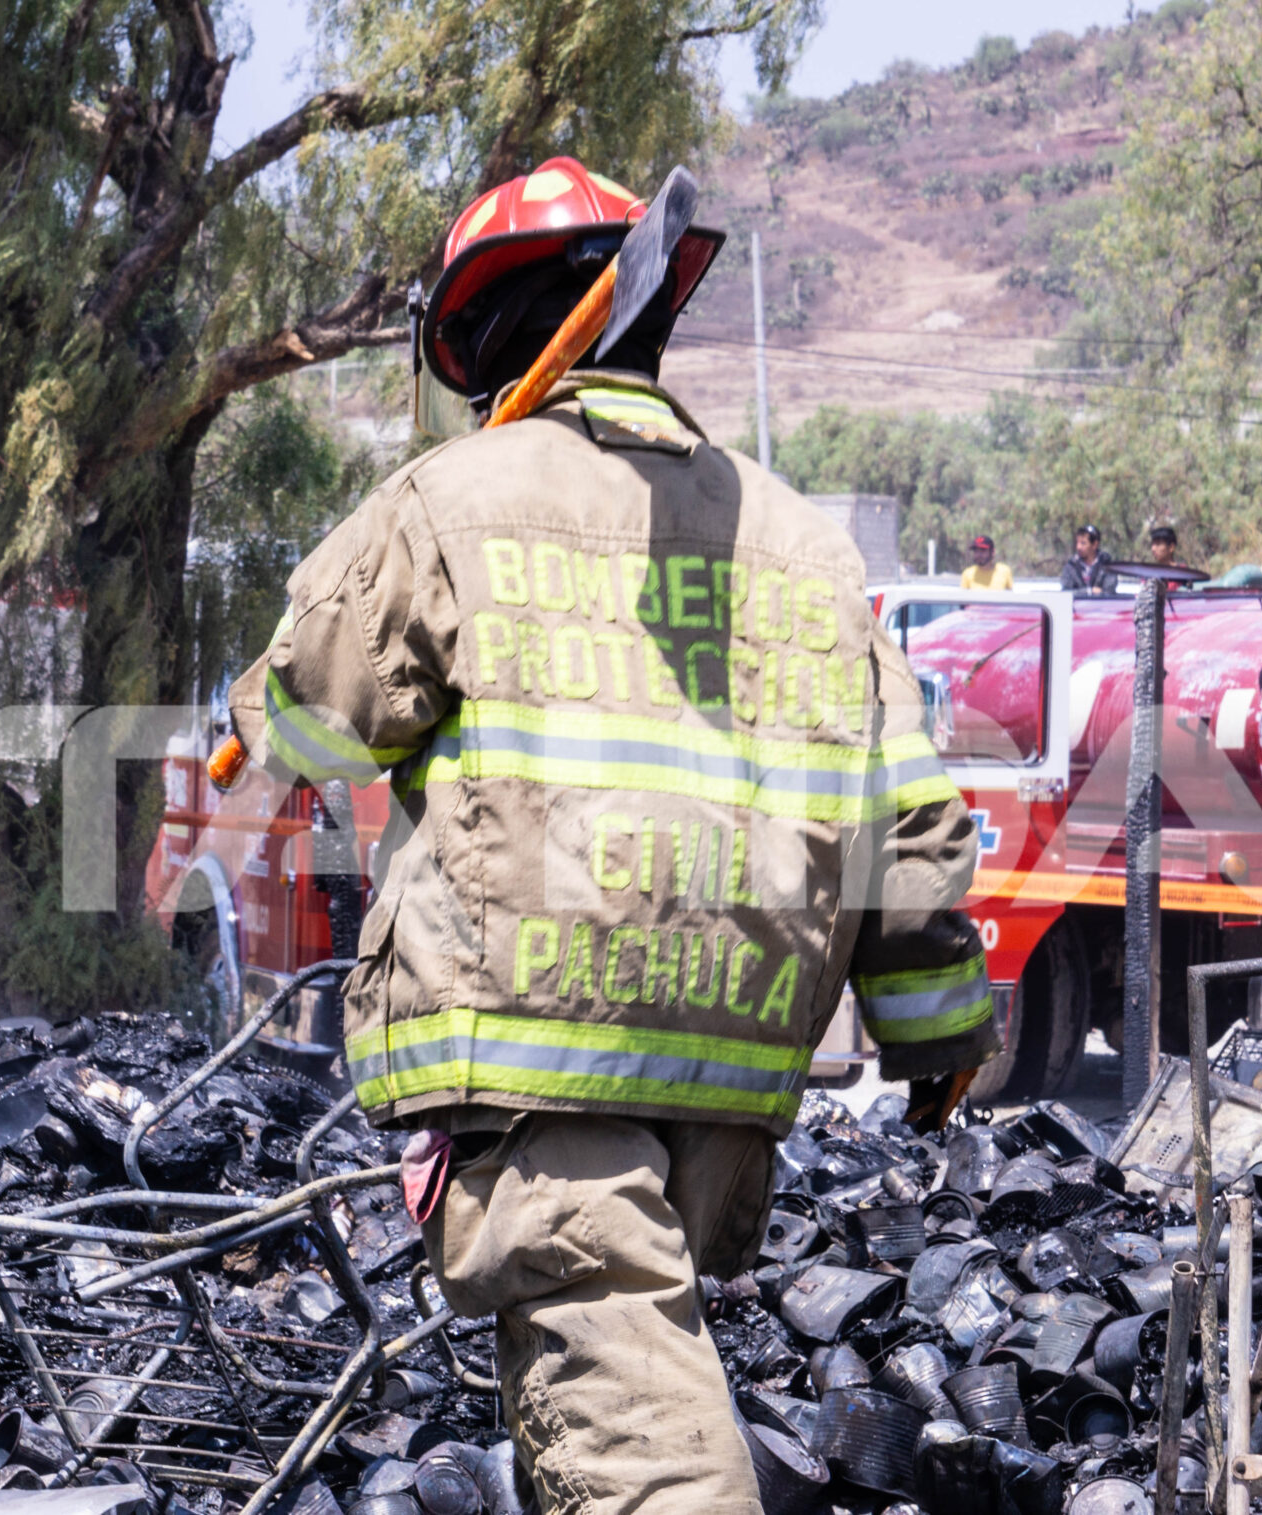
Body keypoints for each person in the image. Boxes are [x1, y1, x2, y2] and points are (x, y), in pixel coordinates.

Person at [226, 156, 996, 1515]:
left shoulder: (451, 498)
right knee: (633, 1373)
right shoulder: (803, 543)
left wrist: (262, 694)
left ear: (484, 342)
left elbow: (317, 727)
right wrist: (936, 1034)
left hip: (537, 1050)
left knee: (633, 1433)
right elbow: (905, 821)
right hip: (733, 1057)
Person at [1057, 523, 1116, 591]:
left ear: (1095, 545)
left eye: (1083, 543)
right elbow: (1066, 590)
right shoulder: (1071, 566)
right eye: (1077, 542)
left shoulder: (1108, 566)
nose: (1078, 547)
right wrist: (1089, 591)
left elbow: (1109, 589)